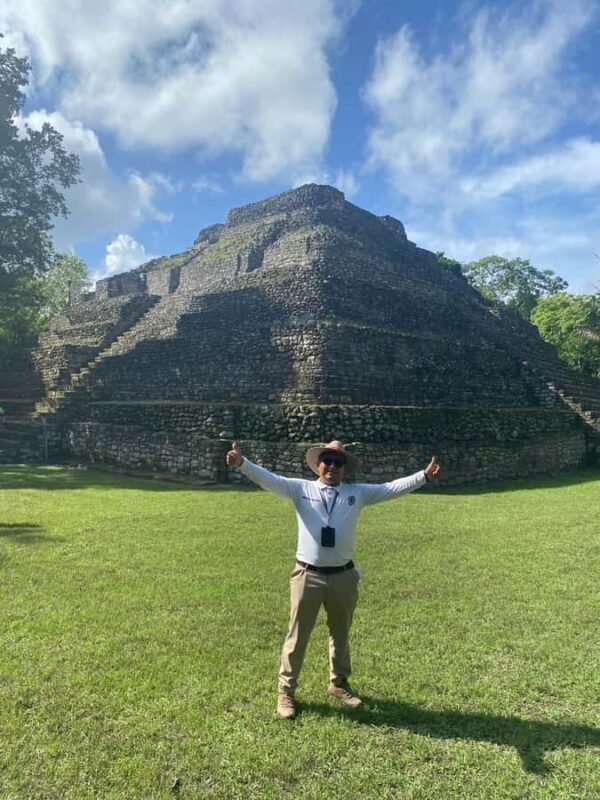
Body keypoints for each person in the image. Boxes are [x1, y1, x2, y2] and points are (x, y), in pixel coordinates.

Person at [225, 439, 441, 720]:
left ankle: (338, 684)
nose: (332, 466)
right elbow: (270, 479)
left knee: (340, 634)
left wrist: (422, 476)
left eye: (339, 463)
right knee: (297, 637)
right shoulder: (301, 489)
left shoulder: (356, 493)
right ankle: (286, 692)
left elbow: (390, 488)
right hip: (308, 575)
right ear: (318, 465)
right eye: (327, 460)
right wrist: (242, 464)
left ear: (345, 469)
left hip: (343, 576)